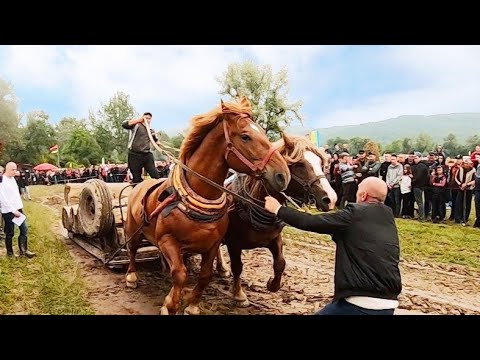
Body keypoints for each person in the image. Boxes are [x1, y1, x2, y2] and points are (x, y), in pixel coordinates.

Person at [264, 176, 402, 315]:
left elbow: (310, 222)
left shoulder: (354, 214)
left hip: (358, 302)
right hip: (388, 304)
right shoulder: (388, 219)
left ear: (363, 195)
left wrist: (278, 209)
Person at [0, 162, 36, 258]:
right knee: (10, 233)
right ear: (7, 169)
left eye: (15, 169)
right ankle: (10, 253)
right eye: (13, 170)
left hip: (18, 209)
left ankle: (24, 250)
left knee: (24, 229)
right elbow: (3, 198)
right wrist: (13, 210)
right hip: (8, 211)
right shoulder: (2, 180)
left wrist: (19, 208)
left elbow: (15, 195)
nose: (15, 172)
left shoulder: (13, 179)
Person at [121, 112, 161, 184]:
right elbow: (124, 124)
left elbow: (156, 142)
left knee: (155, 175)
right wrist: (139, 120)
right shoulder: (136, 126)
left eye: (149, 119)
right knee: (136, 178)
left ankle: (159, 190)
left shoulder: (151, 131)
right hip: (134, 155)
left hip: (146, 155)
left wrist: (159, 144)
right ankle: (137, 191)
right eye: (146, 118)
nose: (147, 120)